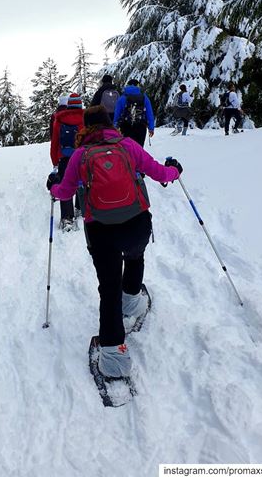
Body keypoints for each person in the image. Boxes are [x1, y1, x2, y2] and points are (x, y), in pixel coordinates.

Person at [48, 106, 181, 379]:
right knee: (135, 258)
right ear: (110, 123)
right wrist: (175, 171)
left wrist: (52, 185)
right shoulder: (128, 146)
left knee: (109, 289)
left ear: (85, 127)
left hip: (101, 231)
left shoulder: (80, 155)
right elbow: (159, 172)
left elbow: (64, 192)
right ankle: (132, 303)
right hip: (137, 224)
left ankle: (113, 358)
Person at [49, 93, 85, 230]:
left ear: (69, 105)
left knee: (66, 184)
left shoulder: (60, 119)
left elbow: (55, 142)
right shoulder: (85, 118)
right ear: (80, 105)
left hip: (64, 157)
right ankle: (80, 209)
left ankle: (67, 218)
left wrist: (55, 160)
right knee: (82, 182)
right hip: (82, 157)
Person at [113, 79, 155, 147]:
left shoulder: (122, 97)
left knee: (127, 149)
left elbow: (117, 114)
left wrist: (115, 126)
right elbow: (149, 113)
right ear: (138, 86)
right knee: (139, 149)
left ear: (128, 85)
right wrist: (151, 128)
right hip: (141, 126)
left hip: (126, 126)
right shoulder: (144, 97)